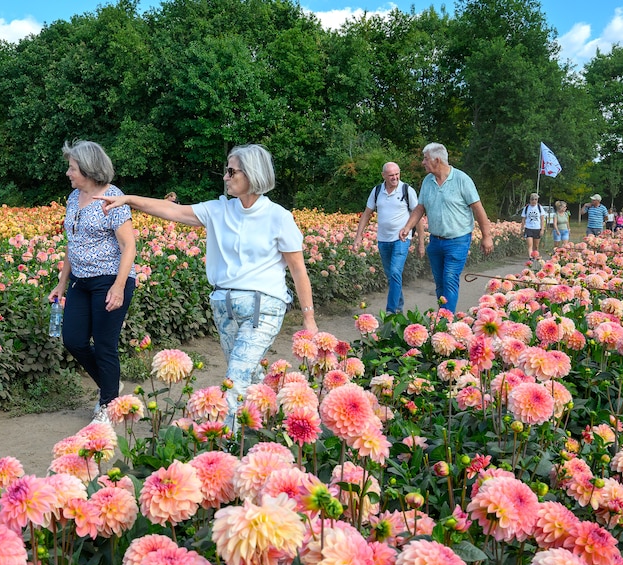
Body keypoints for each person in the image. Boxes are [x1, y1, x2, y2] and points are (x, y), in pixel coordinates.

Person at [98, 144, 318, 429]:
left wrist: (309, 318)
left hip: (262, 308)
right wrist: (128, 200)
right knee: (249, 378)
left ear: (251, 174)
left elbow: (298, 270)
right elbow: (171, 210)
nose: (225, 177)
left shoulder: (279, 217)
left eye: (231, 171)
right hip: (224, 307)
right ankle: (269, 429)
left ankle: (225, 449)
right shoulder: (219, 210)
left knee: (235, 380)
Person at [48, 141, 137, 424]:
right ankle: (112, 388)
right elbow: (72, 242)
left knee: (105, 343)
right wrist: (62, 283)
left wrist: (119, 286)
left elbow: (129, 246)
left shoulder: (112, 198)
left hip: (109, 279)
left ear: (88, 170)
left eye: (72, 168)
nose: (68, 173)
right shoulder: (74, 198)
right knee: (73, 340)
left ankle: (109, 406)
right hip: (80, 281)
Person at [398, 142, 494, 313]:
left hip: (458, 240)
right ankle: (444, 315)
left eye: (425, 159)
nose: (423, 162)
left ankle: (446, 320)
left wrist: (487, 236)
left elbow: (478, 209)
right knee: (440, 283)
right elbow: (420, 208)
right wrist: (407, 227)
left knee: (449, 278)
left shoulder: (462, 180)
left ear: (436, 160)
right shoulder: (428, 181)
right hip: (435, 241)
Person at [353, 161, 422, 314]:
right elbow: (367, 213)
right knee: (391, 276)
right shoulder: (377, 191)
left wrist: (421, 243)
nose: (394, 177)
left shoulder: (406, 190)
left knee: (395, 272)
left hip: (401, 239)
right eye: (391, 175)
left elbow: (418, 215)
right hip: (383, 239)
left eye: (397, 174)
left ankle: (391, 311)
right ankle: (399, 307)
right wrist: (358, 237)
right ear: (384, 175)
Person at [521, 192, 543, 259]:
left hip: (537, 228)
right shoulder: (527, 208)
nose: (534, 201)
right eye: (532, 199)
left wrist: (542, 229)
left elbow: (542, 219)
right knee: (530, 244)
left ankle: (535, 256)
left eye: (535, 199)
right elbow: (523, 219)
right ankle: (530, 257)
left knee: (536, 246)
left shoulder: (539, 207)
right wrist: (522, 228)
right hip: (528, 228)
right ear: (530, 200)